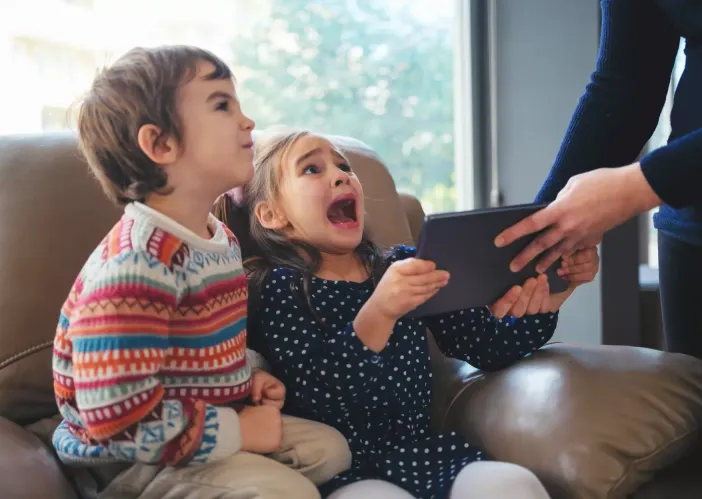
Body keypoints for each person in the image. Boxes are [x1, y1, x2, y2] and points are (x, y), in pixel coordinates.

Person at [213, 126, 600, 499]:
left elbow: (486, 346)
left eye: (344, 166)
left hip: (424, 455)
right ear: (272, 215)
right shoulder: (277, 289)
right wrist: (380, 311)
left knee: (512, 485)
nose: (341, 176)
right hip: (342, 469)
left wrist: (555, 292)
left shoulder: (400, 266)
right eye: (312, 169)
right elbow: (320, 394)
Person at [492, 1, 702, 497]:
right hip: (698, 233)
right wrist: (545, 232)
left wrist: (644, 183)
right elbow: (625, 81)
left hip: (684, 192)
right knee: (696, 460)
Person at [51, 46, 351, 499]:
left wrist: (247, 378)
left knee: (330, 451)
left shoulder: (219, 240)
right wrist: (238, 432)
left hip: (197, 420)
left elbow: (204, 350)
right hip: (128, 459)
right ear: (161, 145)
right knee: (291, 493)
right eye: (222, 105)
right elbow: (115, 419)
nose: (248, 121)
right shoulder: (137, 265)